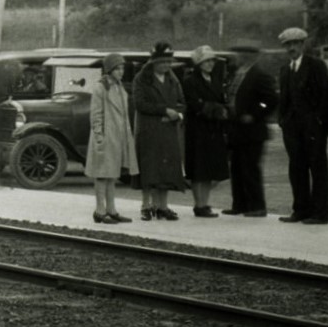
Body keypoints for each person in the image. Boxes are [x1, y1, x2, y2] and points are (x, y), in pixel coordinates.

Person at [276, 26, 328, 224]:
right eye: (288, 45)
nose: (291, 48)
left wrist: (318, 120)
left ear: (303, 45)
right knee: (296, 168)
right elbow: (284, 98)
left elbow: (326, 95)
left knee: (317, 168)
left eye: (295, 44)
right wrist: (282, 120)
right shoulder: (285, 69)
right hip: (292, 128)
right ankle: (300, 210)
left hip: (313, 127)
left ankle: (320, 213)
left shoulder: (316, 65)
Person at [133, 43, 187, 220]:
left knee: (166, 169)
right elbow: (140, 104)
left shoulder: (173, 79)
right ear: (153, 62)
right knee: (149, 168)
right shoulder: (142, 79)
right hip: (149, 130)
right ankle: (146, 205)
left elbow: (182, 102)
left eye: (168, 62)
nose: (166, 65)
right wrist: (164, 110)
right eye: (162, 62)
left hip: (168, 130)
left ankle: (162, 206)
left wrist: (177, 114)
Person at [224, 44, 277, 216]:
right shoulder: (237, 74)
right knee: (237, 169)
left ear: (249, 56)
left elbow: (270, 100)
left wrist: (254, 114)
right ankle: (239, 205)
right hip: (236, 129)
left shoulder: (260, 75)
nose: (236, 56)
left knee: (250, 168)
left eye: (240, 54)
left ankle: (257, 206)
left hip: (252, 130)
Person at [83, 53, 136, 222]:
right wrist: (99, 136)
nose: (121, 72)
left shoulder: (119, 87)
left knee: (112, 174)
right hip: (106, 136)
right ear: (110, 70)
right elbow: (96, 114)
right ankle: (100, 211)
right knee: (102, 174)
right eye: (118, 68)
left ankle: (111, 209)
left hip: (117, 136)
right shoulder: (101, 88)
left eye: (122, 68)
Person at [180, 46, 230, 217]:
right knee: (199, 169)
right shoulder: (190, 81)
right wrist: (216, 109)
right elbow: (194, 104)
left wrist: (218, 109)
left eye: (212, 60)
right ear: (198, 63)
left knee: (210, 170)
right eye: (206, 61)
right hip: (198, 130)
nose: (210, 64)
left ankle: (205, 203)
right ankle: (199, 204)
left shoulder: (215, 80)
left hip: (214, 129)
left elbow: (221, 100)